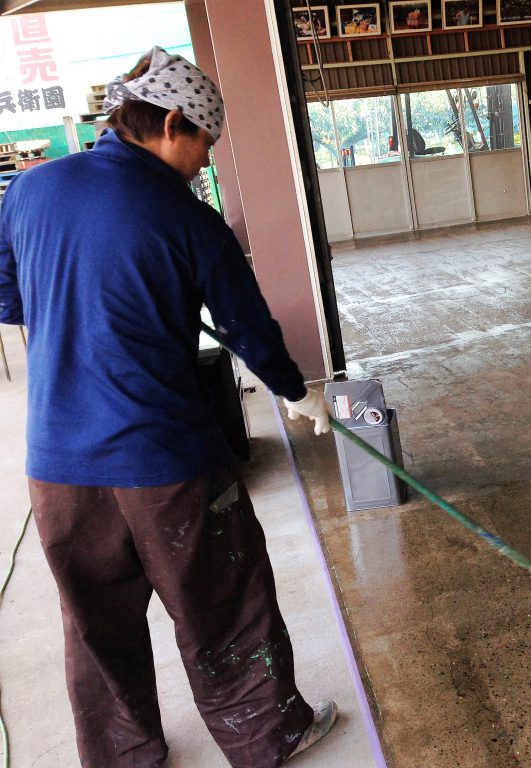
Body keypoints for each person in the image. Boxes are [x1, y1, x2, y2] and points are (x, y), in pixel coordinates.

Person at [0, 47, 337, 768]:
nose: (203, 160)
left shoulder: (29, 192)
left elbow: (5, 295)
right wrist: (298, 393)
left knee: (97, 625)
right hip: (167, 462)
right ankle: (267, 737)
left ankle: (124, 757)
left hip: (58, 469)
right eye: (203, 143)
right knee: (224, 603)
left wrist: (78, 305)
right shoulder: (190, 221)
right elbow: (249, 330)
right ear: (173, 122)